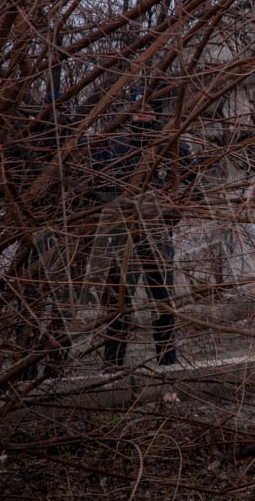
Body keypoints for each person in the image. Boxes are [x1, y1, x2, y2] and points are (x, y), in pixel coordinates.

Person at [93, 90, 195, 370]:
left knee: (161, 300)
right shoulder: (114, 144)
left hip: (157, 234)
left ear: (156, 112)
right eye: (137, 107)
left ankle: (167, 362)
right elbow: (98, 184)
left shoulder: (171, 144)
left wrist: (170, 215)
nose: (141, 114)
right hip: (121, 234)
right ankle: (111, 366)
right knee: (119, 302)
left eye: (147, 109)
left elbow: (192, 184)